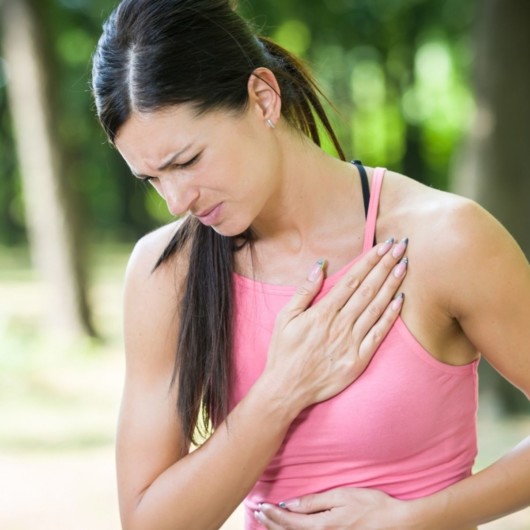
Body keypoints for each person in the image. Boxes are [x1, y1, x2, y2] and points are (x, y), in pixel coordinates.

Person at [91, 1, 530, 529]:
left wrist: (415, 519)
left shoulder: (445, 241)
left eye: (186, 162)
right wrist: (283, 389)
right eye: (152, 178)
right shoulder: (166, 273)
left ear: (262, 98)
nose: (176, 201)